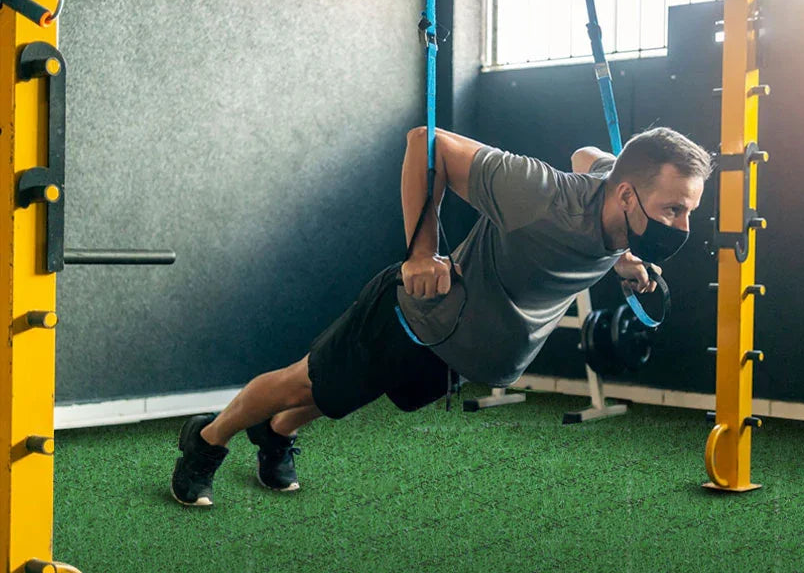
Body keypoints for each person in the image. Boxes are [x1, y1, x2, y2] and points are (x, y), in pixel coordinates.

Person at [170, 126, 710, 506]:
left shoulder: (619, 199)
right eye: (673, 209)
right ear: (626, 195)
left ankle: (276, 433)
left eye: (688, 210)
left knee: (350, 393)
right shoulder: (543, 197)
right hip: (415, 319)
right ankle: (208, 439)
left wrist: (624, 258)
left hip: (459, 349)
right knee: (303, 382)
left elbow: (587, 153)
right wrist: (421, 252)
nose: (682, 226)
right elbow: (429, 143)